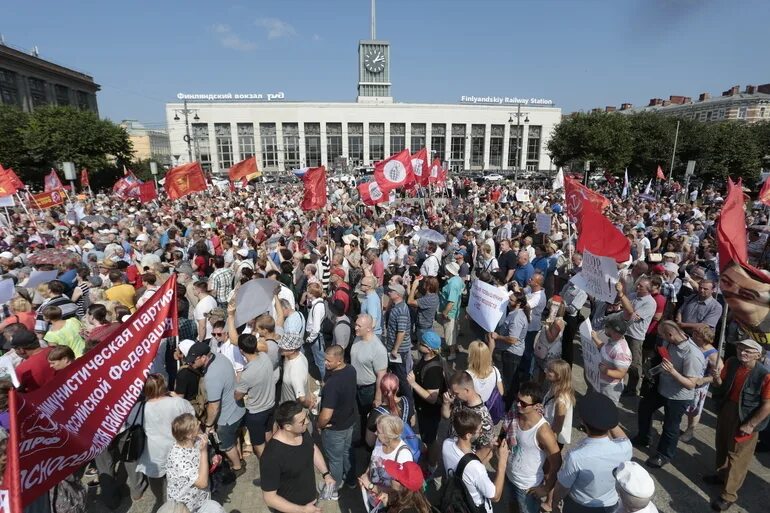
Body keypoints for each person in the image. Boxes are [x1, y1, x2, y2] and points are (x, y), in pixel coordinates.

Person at [707, 339, 770, 511]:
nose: (742, 352)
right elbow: (721, 384)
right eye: (740, 348)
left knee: (738, 457)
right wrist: (717, 378)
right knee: (721, 444)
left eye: (748, 351)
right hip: (727, 408)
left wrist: (751, 424)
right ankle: (721, 475)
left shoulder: (764, 375)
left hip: (746, 417)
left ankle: (728, 495)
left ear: (758, 354)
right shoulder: (732, 362)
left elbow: (767, 405)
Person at [633, 321, 704, 469]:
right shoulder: (670, 342)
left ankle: (664, 455)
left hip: (678, 396)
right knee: (645, 407)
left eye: (662, 335)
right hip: (662, 388)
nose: (660, 338)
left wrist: (672, 371)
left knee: (670, 426)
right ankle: (643, 437)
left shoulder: (692, 355)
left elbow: (691, 384)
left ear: (671, 334)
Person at [553, 392, 632, 513]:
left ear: (584, 423)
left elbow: (563, 487)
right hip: (610, 504)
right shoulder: (625, 448)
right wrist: (608, 418)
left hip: (579, 506)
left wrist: (555, 503)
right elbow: (622, 438)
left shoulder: (576, 457)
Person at [136, 374, 196, 508]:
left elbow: (128, 422)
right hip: (177, 447)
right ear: (164, 385)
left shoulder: (140, 407)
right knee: (180, 482)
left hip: (154, 452)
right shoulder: (177, 402)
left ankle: (163, 503)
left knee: (157, 484)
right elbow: (191, 415)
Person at [503, 382, 563, 513]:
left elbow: (556, 462)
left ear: (536, 406)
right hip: (510, 476)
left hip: (527, 487)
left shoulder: (543, 431)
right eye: (518, 400)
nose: (518, 405)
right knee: (511, 508)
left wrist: (546, 489)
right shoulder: (515, 415)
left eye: (524, 404)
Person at [185, 342, 245, 472]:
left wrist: (208, 425)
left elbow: (214, 406)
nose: (190, 364)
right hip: (237, 409)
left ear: (203, 358)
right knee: (233, 438)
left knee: (227, 445)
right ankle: (239, 457)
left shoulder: (212, 375)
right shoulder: (219, 357)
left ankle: (237, 466)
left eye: (192, 361)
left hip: (226, 418)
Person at [442, 409, 508, 513]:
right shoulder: (476, 469)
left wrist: (488, 447)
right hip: (474, 508)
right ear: (468, 435)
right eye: (479, 430)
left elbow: (466, 461)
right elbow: (495, 496)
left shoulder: (447, 444)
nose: (481, 432)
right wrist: (502, 463)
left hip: (456, 499)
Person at [317, 345, 358, 493]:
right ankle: (352, 480)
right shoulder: (351, 370)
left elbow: (326, 415)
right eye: (325, 360)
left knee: (335, 459)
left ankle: (334, 488)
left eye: (329, 361)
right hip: (349, 422)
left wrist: (320, 425)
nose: (325, 363)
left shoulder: (333, 385)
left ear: (339, 361)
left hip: (334, 429)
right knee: (348, 452)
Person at [165, 413, 225, 513]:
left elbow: (205, 454)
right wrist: (204, 451)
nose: (200, 422)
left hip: (201, 499)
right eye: (196, 423)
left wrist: (213, 457)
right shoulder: (178, 459)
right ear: (189, 435)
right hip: (185, 507)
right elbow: (202, 483)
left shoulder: (196, 439)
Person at [234, 333, 275, 459]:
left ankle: (266, 466)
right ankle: (274, 458)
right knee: (269, 433)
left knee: (258, 444)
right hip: (271, 406)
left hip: (256, 413)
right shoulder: (264, 357)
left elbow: (237, 396)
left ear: (241, 351)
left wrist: (238, 379)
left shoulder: (247, 374)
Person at [361, 414, 414, 507]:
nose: (375, 433)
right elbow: (373, 460)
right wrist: (366, 475)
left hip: (388, 502)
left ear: (388, 436)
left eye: (379, 431)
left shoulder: (404, 455)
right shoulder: (380, 441)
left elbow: (401, 488)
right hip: (373, 495)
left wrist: (371, 486)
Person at [488, 290, 529, 409]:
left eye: (511, 300)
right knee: (513, 379)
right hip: (511, 352)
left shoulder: (517, 318)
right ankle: (513, 399)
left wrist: (497, 337)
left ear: (519, 303)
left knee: (508, 381)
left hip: (512, 353)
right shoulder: (515, 313)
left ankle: (506, 406)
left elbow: (512, 340)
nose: (508, 301)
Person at [680, 325, 722, 443]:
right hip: (686, 380)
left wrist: (703, 380)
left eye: (696, 334)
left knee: (694, 410)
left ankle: (690, 430)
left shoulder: (713, 355)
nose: (693, 335)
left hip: (699, 387)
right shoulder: (693, 345)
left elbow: (718, 376)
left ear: (703, 337)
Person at [616, 279, 657, 398]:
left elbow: (632, 315)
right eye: (638, 284)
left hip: (635, 336)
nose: (638, 286)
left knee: (634, 363)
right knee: (621, 358)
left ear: (648, 290)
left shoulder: (650, 303)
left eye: (641, 286)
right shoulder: (633, 295)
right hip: (624, 331)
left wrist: (622, 297)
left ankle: (633, 388)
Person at [406, 331, 446, 452]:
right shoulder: (426, 358)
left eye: (421, 343)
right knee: (426, 437)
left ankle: (432, 465)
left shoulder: (433, 370)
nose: (418, 344)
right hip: (422, 408)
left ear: (429, 349)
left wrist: (413, 383)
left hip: (429, 412)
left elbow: (432, 398)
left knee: (430, 440)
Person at [442, 371, 494, 461]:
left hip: (464, 460)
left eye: (456, 393)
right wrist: (446, 403)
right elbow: (446, 416)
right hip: (451, 450)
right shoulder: (460, 400)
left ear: (466, 390)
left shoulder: (484, 419)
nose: (453, 395)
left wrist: (470, 466)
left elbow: (485, 450)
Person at [359, 460, 431, 513]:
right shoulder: (414, 499)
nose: (390, 476)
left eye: (394, 476)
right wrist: (387, 503)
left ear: (401, 486)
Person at [589, 315, 632, 405]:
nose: (606, 329)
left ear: (613, 332)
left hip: (609, 388)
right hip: (600, 383)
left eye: (608, 328)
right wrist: (595, 338)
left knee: (605, 411)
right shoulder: (612, 341)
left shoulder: (621, 352)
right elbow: (604, 350)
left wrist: (606, 371)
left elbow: (621, 373)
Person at [366, 373, 412, 447]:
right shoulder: (406, 401)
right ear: (397, 388)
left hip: (388, 451)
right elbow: (413, 422)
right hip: (405, 447)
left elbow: (370, 442)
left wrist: (370, 418)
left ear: (381, 389)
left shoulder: (376, 413)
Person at [385, 283, 412, 397]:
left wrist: (395, 349)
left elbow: (401, 332)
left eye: (391, 291)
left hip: (399, 350)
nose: (389, 292)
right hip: (395, 347)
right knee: (396, 373)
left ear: (398, 294)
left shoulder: (401, 310)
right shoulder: (397, 306)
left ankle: (407, 399)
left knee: (400, 376)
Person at [543, 359, 575, 447]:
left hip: (552, 439)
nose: (545, 371)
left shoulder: (561, 400)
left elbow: (557, 428)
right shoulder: (554, 387)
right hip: (547, 432)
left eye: (550, 371)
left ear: (558, 376)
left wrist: (548, 444)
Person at [466, 340, 503, 405]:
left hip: (473, 407)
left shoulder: (467, 375)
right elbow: (501, 392)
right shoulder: (495, 370)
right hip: (489, 407)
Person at [439, 262, 464, 361]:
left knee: (449, 335)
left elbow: (451, 302)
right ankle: (454, 348)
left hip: (450, 313)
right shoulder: (458, 279)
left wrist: (445, 313)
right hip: (455, 312)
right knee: (453, 332)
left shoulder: (452, 284)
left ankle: (452, 353)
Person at [407, 275, 439, 343]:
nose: (423, 284)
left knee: (423, 349)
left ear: (428, 286)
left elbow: (410, 302)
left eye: (425, 283)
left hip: (423, 329)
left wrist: (413, 288)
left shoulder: (428, 299)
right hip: (427, 326)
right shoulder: (434, 296)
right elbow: (419, 297)